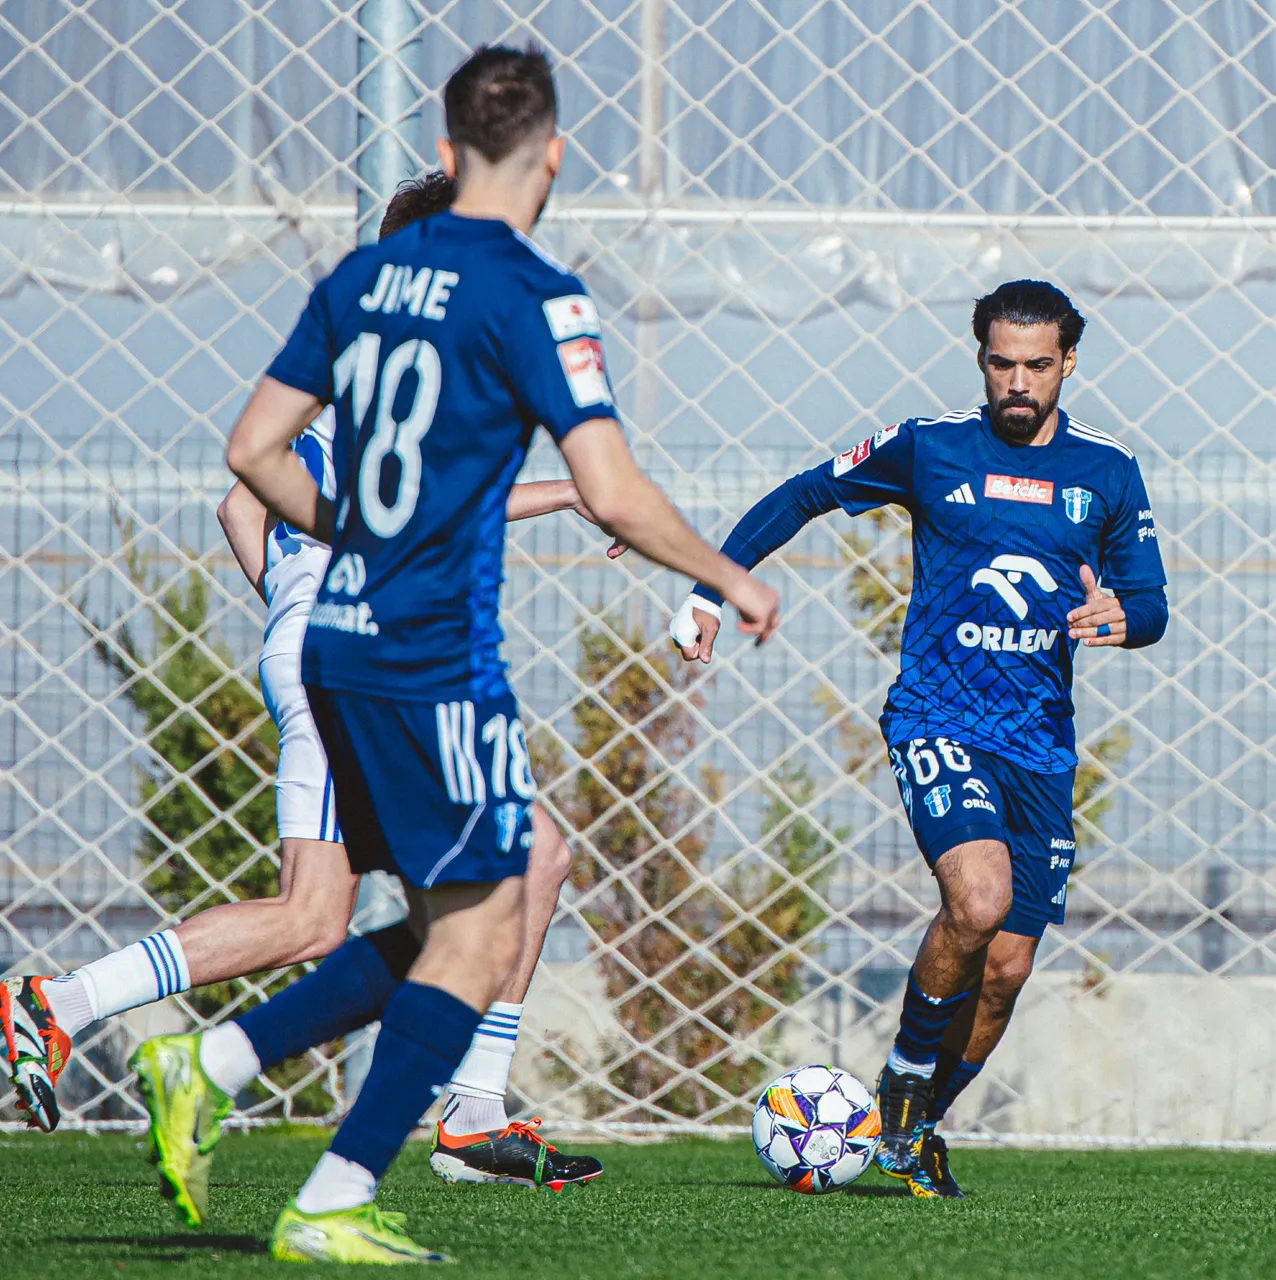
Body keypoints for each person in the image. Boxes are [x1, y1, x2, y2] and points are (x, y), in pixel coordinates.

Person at [189, 44, 775, 1262]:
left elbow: (251, 454)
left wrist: (353, 532)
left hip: (337, 636)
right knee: (484, 923)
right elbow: (613, 491)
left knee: (480, 906)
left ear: (449, 154)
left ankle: (240, 1076)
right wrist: (725, 573)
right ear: (551, 156)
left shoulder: (362, 277)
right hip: (431, 654)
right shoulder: (535, 295)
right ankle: (280, 1128)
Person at [0, 170, 611, 1200]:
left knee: (330, 914)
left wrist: (292, 605)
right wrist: (581, 495)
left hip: (325, 651)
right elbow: (424, 501)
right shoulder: (425, 357)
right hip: (366, 661)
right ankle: (449, 1113)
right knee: (517, 863)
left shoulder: (356, 361)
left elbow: (242, 505)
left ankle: (66, 1005)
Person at [671, 280, 1166, 1198]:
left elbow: (1151, 604)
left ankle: (914, 1132)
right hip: (938, 716)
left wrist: (1123, 618)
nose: (1018, 382)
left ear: (1068, 363)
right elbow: (805, 493)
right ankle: (902, 1079)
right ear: (981, 359)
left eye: (1038, 366)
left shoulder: (1108, 470)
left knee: (1006, 968)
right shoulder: (929, 447)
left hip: (1041, 744)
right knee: (977, 901)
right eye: (1002, 363)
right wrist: (713, 588)